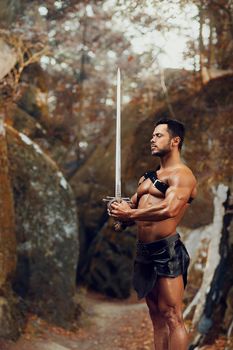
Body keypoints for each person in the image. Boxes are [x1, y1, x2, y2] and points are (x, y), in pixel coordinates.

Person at [108, 118, 197, 350]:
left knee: (172, 315)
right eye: (152, 135)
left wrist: (131, 215)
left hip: (166, 250)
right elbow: (131, 212)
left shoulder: (182, 175)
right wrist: (120, 215)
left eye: (159, 135)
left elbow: (170, 209)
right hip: (144, 251)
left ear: (175, 141)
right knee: (156, 315)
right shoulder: (146, 178)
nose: (152, 139)